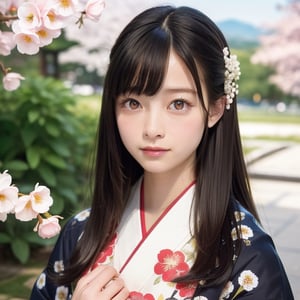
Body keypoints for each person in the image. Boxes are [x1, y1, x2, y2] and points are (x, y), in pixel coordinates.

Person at [30, 5, 294, 300]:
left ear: (216, 109)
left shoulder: (248, 259)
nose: (152, 128)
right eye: (133, 102)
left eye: (178, 103)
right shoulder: (81, 233)